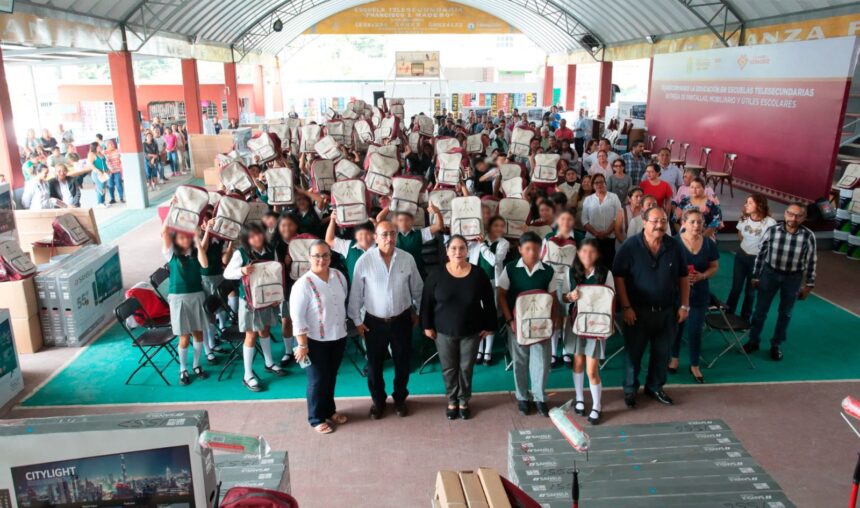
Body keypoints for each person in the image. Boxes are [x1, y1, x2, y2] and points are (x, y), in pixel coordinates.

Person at [613, 206, 690, 408]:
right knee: (633, 353)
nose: (659, 225)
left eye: (663, 221)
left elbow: (683, 277)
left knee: (662, 353)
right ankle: (630, 390)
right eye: (655, 221)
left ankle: (655, 387)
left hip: (667, 312)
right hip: (637, 312)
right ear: (644, 222)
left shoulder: (674, 246)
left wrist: (684, 305)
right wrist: (626, 307)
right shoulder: (630, 246)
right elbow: (619, 277)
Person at [348, 220, 424, 419]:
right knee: (374, 366)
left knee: (402, 363)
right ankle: (378, 401)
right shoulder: (364, 261)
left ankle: (400, 399)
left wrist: (418, 312)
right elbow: (356, 294)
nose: (389, 238)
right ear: (375, 237)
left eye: (392, 233)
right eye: (384, 234)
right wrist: (357, 321)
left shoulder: (407, 259)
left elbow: (418, 289)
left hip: (402, 320)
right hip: (373, 323)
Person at [422, 235, 497, 420]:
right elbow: (426, 302)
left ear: (467, 251)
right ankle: (452, 400)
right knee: (449, 368)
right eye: (453, 248)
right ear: (447, 251)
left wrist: (490, 325)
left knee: (466, 368)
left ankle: (463, 400)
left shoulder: (478, 274)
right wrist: (427, 325)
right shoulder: (436, 274)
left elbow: (488, 301)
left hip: (471, 330)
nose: (458, 252)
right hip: (443, 331)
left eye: (462, 248)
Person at [290, 241, 350, 434]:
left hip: (338, 336)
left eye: (325, 255)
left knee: (330, 377)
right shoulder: (302, 285)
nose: (321, 259)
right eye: (317, 255)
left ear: (330, 257)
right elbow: (297, 318)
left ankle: (329, 411)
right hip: (313, 342)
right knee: (317, 380)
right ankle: (316, 418)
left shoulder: (338, 276)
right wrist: (302, 345)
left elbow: (343, 302)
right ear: (309, 258)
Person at [744, 203, 817, 361]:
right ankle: (753, 340)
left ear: (804, 218)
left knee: (785, 313)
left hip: (793, 278)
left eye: (798, 216)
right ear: (785, 214)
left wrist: (809, 285)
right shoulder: (772, 231)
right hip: (770, 274)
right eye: (790, 214)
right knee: (760, 311)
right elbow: (761, 254)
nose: (793, 218)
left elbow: (811, 261)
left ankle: (776, 345)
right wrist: (756, 276)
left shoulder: (808, 236)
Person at [497, 231, 556, 417]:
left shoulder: (548, 271)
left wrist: (553, 322)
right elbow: (501, 295)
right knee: (520, 361)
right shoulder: (511, 268)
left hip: (541, 325)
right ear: (520, 249)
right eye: (528, 249)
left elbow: (553, 298)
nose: (532, 253)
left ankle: (539, 398)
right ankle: (522, 397)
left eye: (536, 249)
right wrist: (510, 320)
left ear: (541, 250)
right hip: (518, 324)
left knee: (541, 362)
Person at [223, 224, 289, 392]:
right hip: (249, 301)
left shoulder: (270, 249)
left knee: (265, 330)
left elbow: (276, 274)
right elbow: (227, 273)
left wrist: (276, 296)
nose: (257, 238)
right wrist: (242, 270)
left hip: (268, 299)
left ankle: (269, 363)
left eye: (258, 234)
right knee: (251, 335)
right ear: (246, 239)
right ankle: (247, 375)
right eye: (252, 236)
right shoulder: (240, 253)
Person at [558, 239, 615, 425]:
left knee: (592, 370)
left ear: (597, 254)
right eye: (583, 251)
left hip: (596, 326)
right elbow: (563, 297)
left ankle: (597, 405)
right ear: (578, 252)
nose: (587, 255)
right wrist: (570, 296)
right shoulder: (571, 272)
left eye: (591, 252)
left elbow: (611, 298)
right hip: (576, 324)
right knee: (578, 362)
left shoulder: (605, 274)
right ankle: (580, 398)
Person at [668, 209, 719, 384]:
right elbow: (666, 268)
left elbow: (714, 266)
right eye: (692, 222)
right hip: (676, 293)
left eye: (700, 222)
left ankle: (695, 364)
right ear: (683, 223)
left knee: (695, 330)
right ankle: (674, 358)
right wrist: (679, 278)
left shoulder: (709, 244)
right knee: (676, 327)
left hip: (699, 293)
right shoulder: (673, 243)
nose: (697, 225)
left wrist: (702, 276)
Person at [161, 218, 214, 385]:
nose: (185, 240)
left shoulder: (196, 252)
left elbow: (204, 264)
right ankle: (182, 369)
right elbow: (164, 231)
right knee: (183, 337)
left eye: (187, 237)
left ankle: (196, 365)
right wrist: (172, 212)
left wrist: (197, 239)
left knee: (198, 333)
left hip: (197, 295)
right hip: (178, 298)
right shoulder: (170, 253)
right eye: (181, 238)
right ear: (175, 240)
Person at [726, 194, 776, 321]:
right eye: (746, 202)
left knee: (750, 291)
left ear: (759, 205)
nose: (746, 205)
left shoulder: (770, 223)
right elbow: (740, 235)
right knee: (736, 288)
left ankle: (745, 319)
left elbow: (772, 243)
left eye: (750, 203)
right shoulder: (744, 218)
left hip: (757, 261)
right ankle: (728, 314)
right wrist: (747, 246)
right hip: (741, 256)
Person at [469, 216, 509, 365]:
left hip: (494, 282)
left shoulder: (503, 243)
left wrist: (482, 246)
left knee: (490, 316)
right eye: (496, 225)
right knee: (478, 315)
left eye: (502, 226)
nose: (499, 229)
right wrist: (472, 241)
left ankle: (488, 350)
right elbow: (468, 254)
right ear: (489, 227)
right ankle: (479, 349)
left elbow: (494, 261)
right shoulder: (478, 240)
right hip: (476, 282)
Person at [272, 214, 299, 365]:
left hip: (302, 286)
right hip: (285, 288)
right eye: (283, 225)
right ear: (278, 228)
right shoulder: (275, 245)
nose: (287, 228)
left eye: (290, 224)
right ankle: (288, 351)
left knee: (301, 318)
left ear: (296, 226)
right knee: (286, 319)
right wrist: (285, 264)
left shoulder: (303, 242)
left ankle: (300, 348)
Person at [582, 174, 622, 268]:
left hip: (609, 238)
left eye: (601, 182)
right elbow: (584, 220)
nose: (599, 184)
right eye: (596, 183)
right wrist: (596, 233)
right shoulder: (588, 200)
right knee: (593, 264)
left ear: (605, 183)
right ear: (593, 185)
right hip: (592, 238)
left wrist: (607, 232)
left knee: (608, 264)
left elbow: (618, 217)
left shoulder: (614, 197)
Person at [87, 142, 110, 208]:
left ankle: (103, 202)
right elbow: (90, 164)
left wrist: (108, 169)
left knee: (104, 187)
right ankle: (99, 203)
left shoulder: (100, 153)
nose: (100, 146)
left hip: (104, 173)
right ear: (95, 147)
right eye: (99, 146)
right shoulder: (91, 154)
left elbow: (104, 163)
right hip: (97, 174)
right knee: (100, 187)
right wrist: (97, 171)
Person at [104, 139, 125, 204]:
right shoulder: (104, 153)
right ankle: (112, 199)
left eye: (113, 143)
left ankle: (121, 197)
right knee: (110, 185)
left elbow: (122, 159)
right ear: (107, 146)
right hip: (109, 171)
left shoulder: (117, 151)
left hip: (117, 170)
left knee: (119, 184)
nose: (113, 145)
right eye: (111, 144)